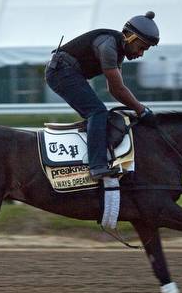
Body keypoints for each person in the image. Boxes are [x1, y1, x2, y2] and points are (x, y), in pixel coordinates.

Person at [45, 11, 159, 180]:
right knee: (97, 112)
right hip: (61, 72)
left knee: (98, 113)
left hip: (66, 72)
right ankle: (96, 167)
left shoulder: (118, 50)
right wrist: (142, 110)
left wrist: (140, 109)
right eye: (141, 47)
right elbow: (118, 89)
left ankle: (93, 158)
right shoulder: (108, 46)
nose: (141, 54)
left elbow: (114, 89)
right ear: (130, 38)